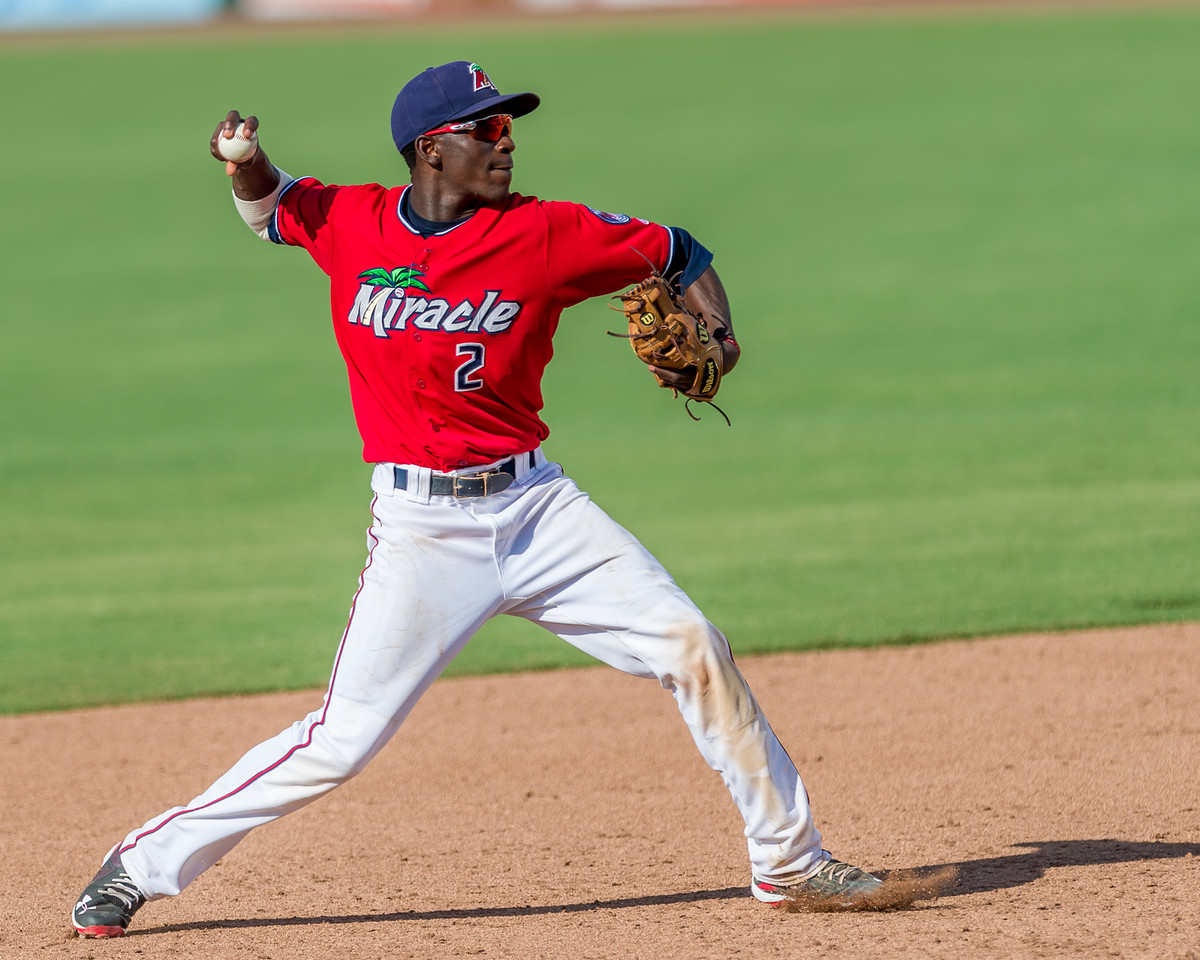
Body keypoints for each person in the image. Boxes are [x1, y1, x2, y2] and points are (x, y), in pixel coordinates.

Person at [70, 60, 883, 939]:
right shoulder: (354, 221)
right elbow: (276, 209)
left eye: (509, 127)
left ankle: (790, 863)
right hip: (422, 533)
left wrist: (719, 337)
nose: (507, 143)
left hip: (539, 513)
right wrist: (245, 163)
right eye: (486, 130)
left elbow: (680, 249)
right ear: (432, 148)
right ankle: (141, 865)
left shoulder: (548, 233)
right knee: (341, 740)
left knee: (691, 644)